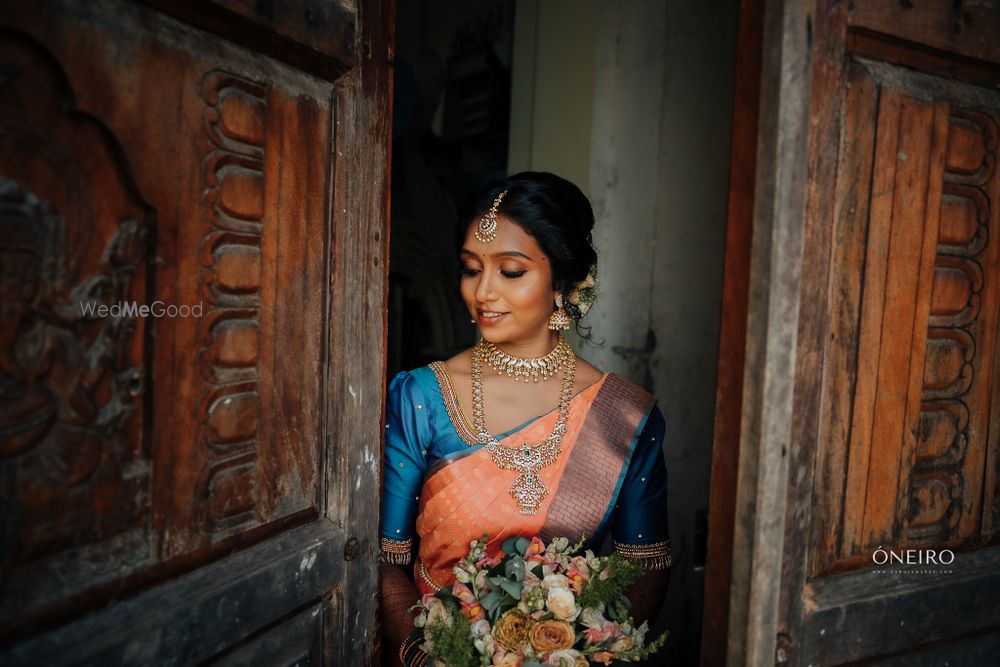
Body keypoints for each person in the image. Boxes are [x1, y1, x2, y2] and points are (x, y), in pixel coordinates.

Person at [380, 172, 672, 666]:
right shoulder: (421, 397)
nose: (483, 293)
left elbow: (643, 564)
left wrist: (583, 652)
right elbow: (386, 562)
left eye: (511, 272)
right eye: (471, 269)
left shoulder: (624, 416)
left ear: (563, 281)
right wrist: (427, 657)